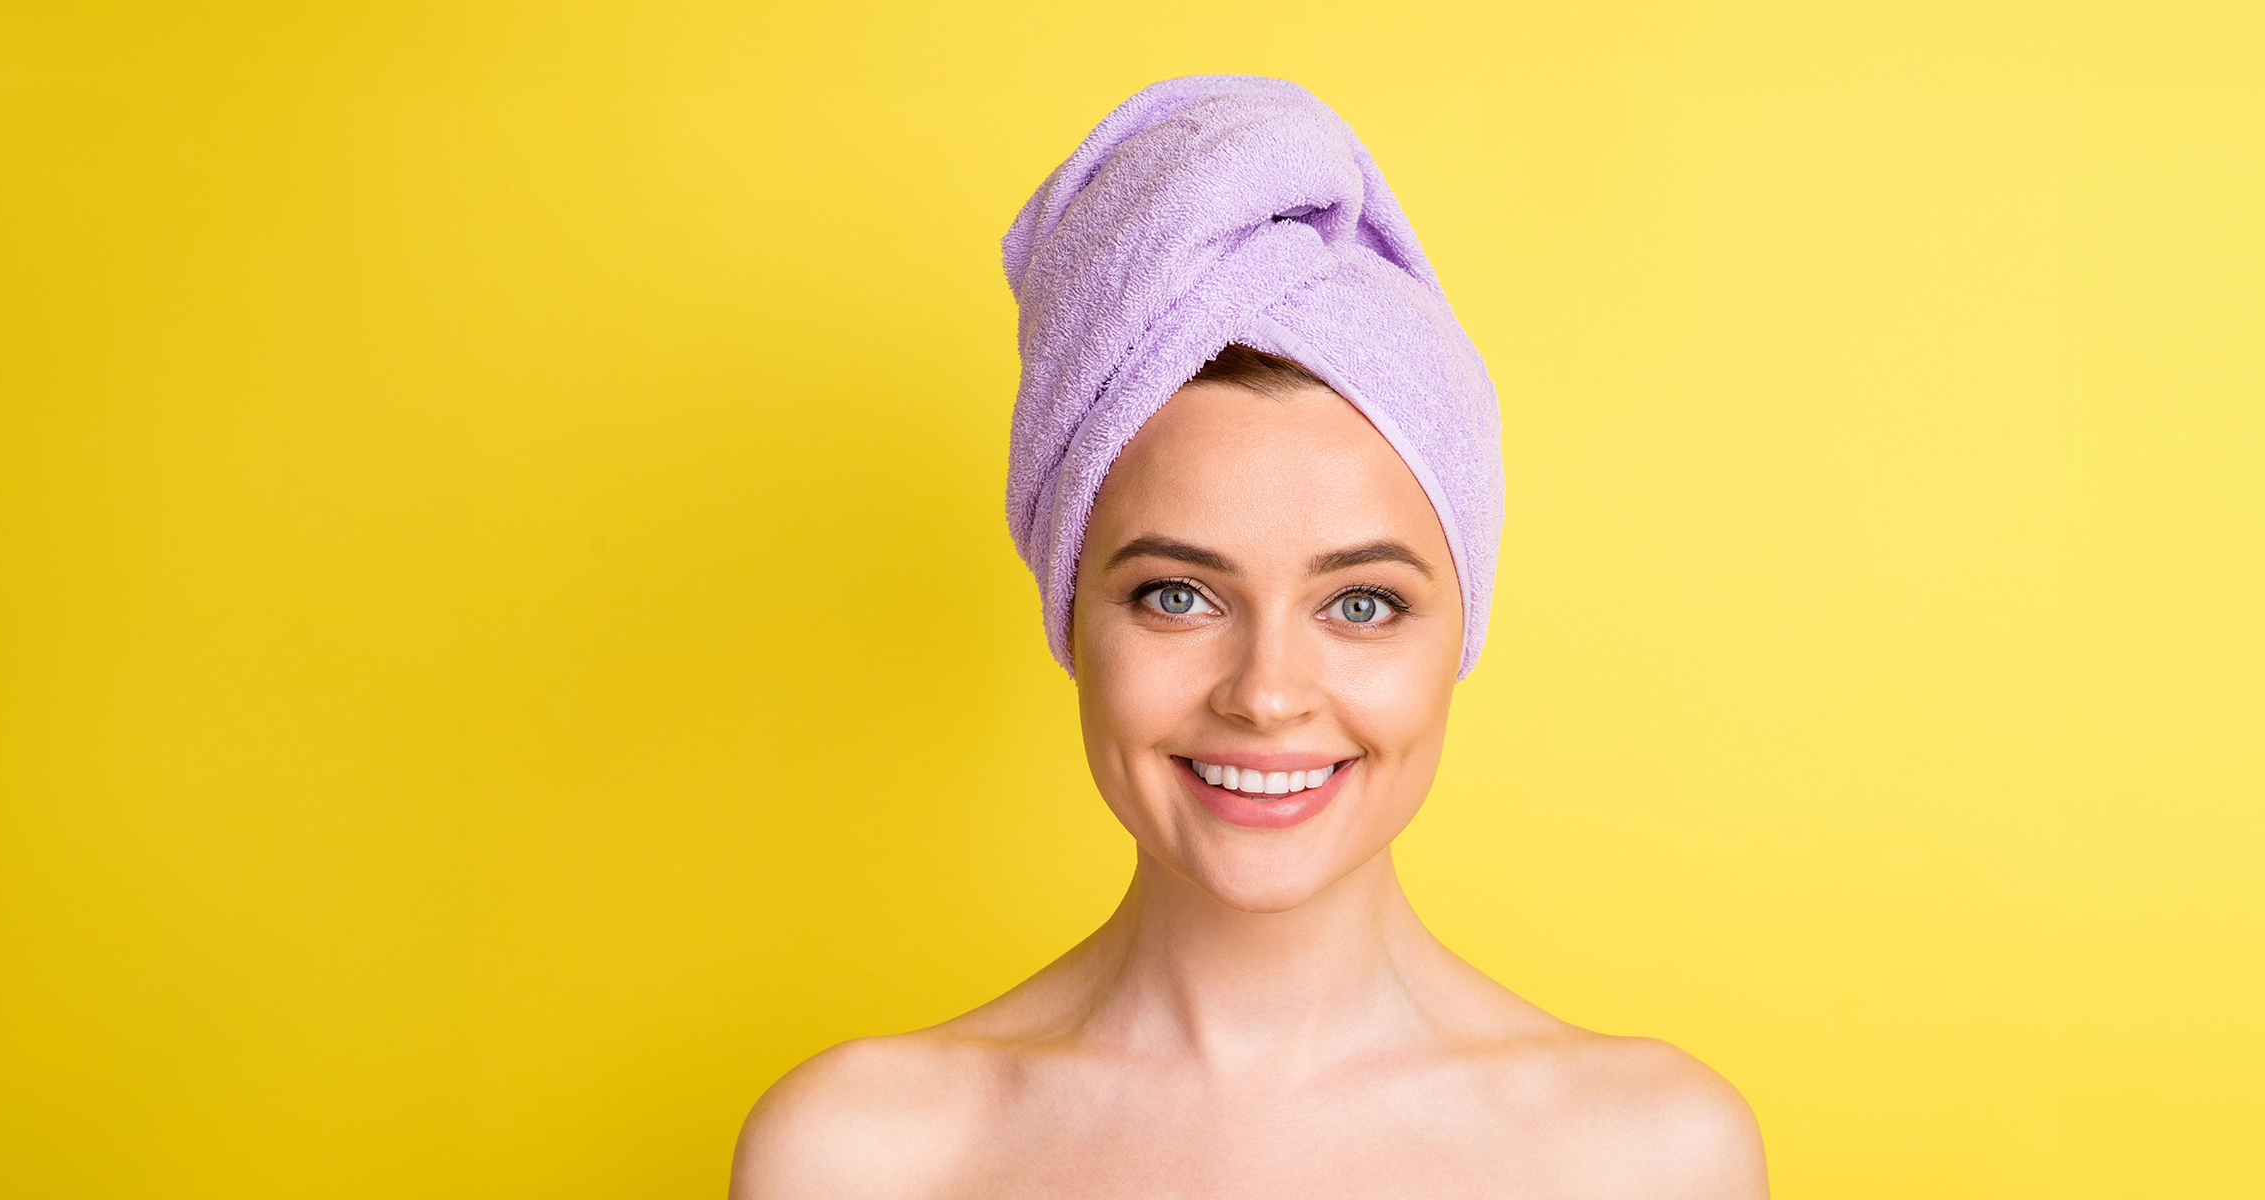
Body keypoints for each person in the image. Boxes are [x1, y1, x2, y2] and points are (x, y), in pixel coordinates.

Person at [732, 76, 1765, 1199]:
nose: (1267, 695)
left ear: (1460, 630)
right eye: (1178, 595)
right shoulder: (861, 1156)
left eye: (1361, 603)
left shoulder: (1648, 1159)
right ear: (1073, 614)